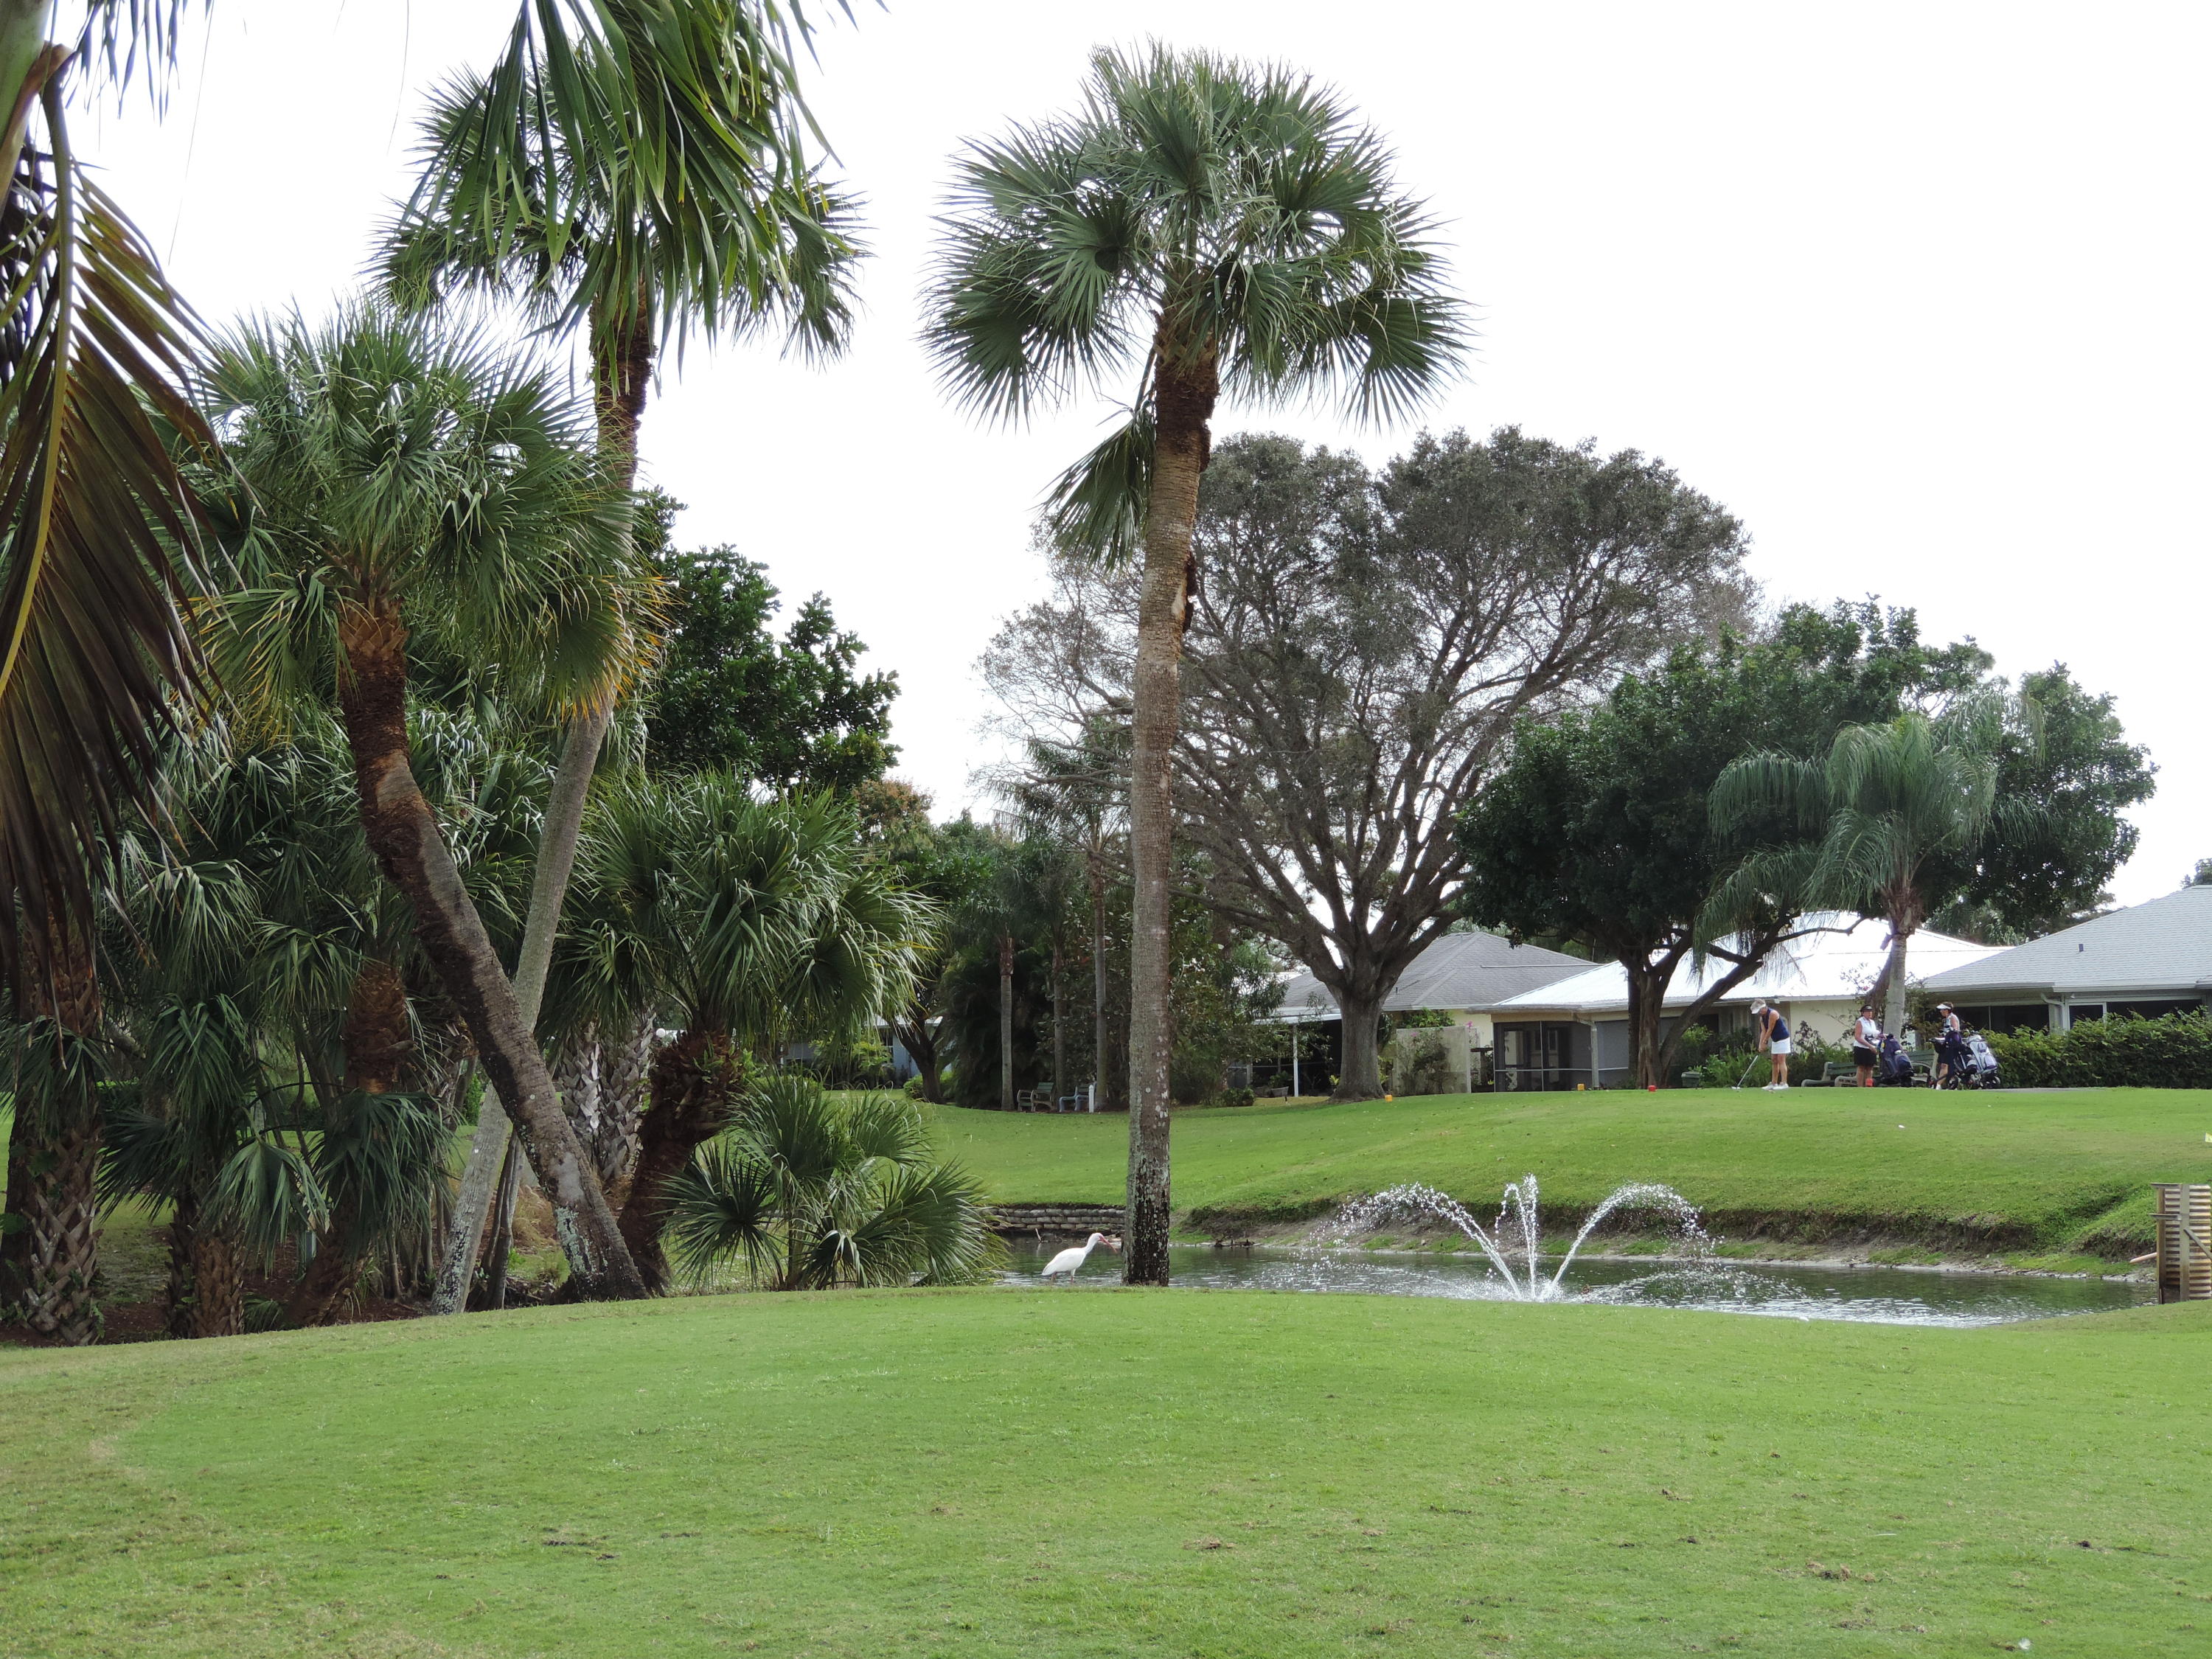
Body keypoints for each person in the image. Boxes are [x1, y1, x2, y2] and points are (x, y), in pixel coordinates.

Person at [1752, 999, 1791, 1089]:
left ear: (1764, 1008)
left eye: (1760, 1010)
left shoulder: (1773, 1014)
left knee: (1781, 1059)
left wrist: (1765, 1042)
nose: (1759, 1013)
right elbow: (1763, 1031)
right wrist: (1760, 1044)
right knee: (1774, 1060)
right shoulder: (1762, 1018)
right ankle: (1774, 1083)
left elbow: (1770, 1029)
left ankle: (1784, 1083)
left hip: (1783, 1038)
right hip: (1775, 1040)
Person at [1933, 1001, 1966, 1085]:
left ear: (1947, 1010)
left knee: (1945, 1064)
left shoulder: (1952, 1017)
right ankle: (1943, 1082)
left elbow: (1955, 1029)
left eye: (1942, 1010)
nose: (1941, 1011)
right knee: (1943, 1063)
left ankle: (1939, 1084)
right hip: (1948, 1043)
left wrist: (1951, 1032)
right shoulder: (1947, 1019)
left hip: (1952, 1044)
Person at [1851, 1005, 1882, 1088]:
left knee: (1870, 1068)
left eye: (1871, 1011)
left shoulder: (1872, 1022)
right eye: (1868, 1012)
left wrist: (1880, 1038)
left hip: (1871, 1047)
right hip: (1861, 1047)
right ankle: (1860, 1087)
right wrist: (1869, 1046)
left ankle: (1868, 1086)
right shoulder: (1860, 1022)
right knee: (1861, 1067)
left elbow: (1874, 1034)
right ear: (1863, 1013)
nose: (1870, 1013)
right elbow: (1857, 1037)